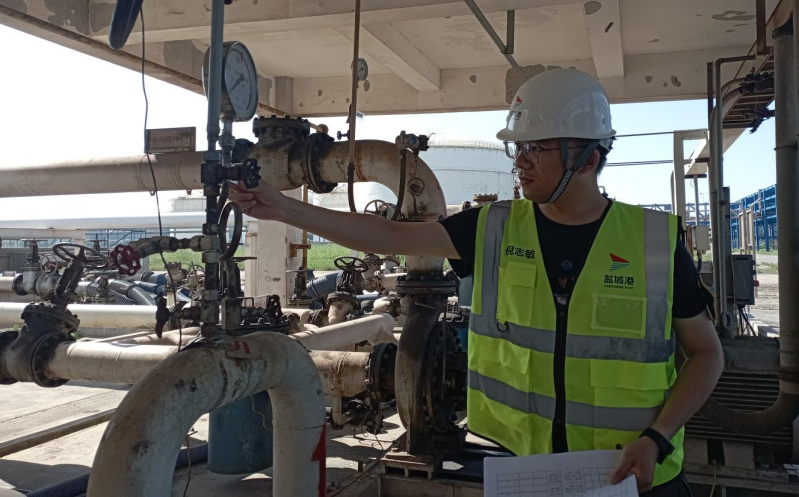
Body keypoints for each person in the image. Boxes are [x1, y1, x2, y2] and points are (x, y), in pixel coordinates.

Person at [230, 69, 724, 496]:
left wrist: (657, 438)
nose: (520, 161)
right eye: (518, 147)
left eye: (536, 148)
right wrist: (284, 207)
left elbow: (706, 354)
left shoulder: (653, 243)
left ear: (588, 159)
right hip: (529, 474)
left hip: (635, 477)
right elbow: (387, 234)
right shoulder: (493, 228)